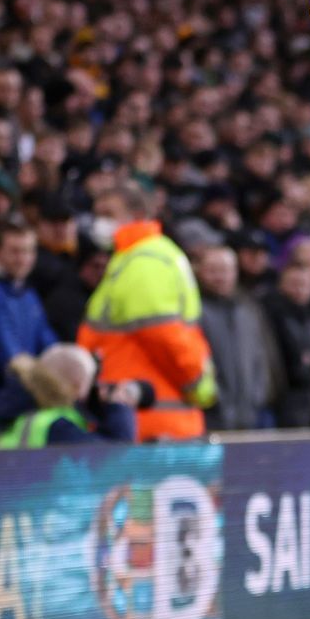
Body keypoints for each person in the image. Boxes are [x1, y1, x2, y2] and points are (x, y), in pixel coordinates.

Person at [76, 181, 216, 440]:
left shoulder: (144, 262)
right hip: (145, 414)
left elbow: (165, 338)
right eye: (98, 214)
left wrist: (195, 385)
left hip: (150, 420)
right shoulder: (137, 257)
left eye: (109, 214)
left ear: (137, 215)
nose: (100, 222)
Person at [0, 220, 56, 424]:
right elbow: (8, 354)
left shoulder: (29, 294)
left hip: (27, 410)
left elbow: (49, 344)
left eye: (29, 251)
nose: (23, 259)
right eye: (15, 251)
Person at [194, 244, 277, 431]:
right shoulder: (194, 310)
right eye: (212, 270)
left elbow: (262, 356)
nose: (219, 277)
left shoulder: (249, 309)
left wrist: (259, 396)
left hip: (250, 415)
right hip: (210, 417)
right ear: (199, 271)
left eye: (225, 270)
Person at [0, 344, 143, 447]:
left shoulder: (27, 412)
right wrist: (118, 406)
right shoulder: (57, 426)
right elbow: (116, 456)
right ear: (76, 385)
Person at [262, 251, 310, 428]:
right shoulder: (271, 313)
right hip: (286, 398)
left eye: (304, 285)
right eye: (293, 284)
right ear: (281, 285)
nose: (299, 290)